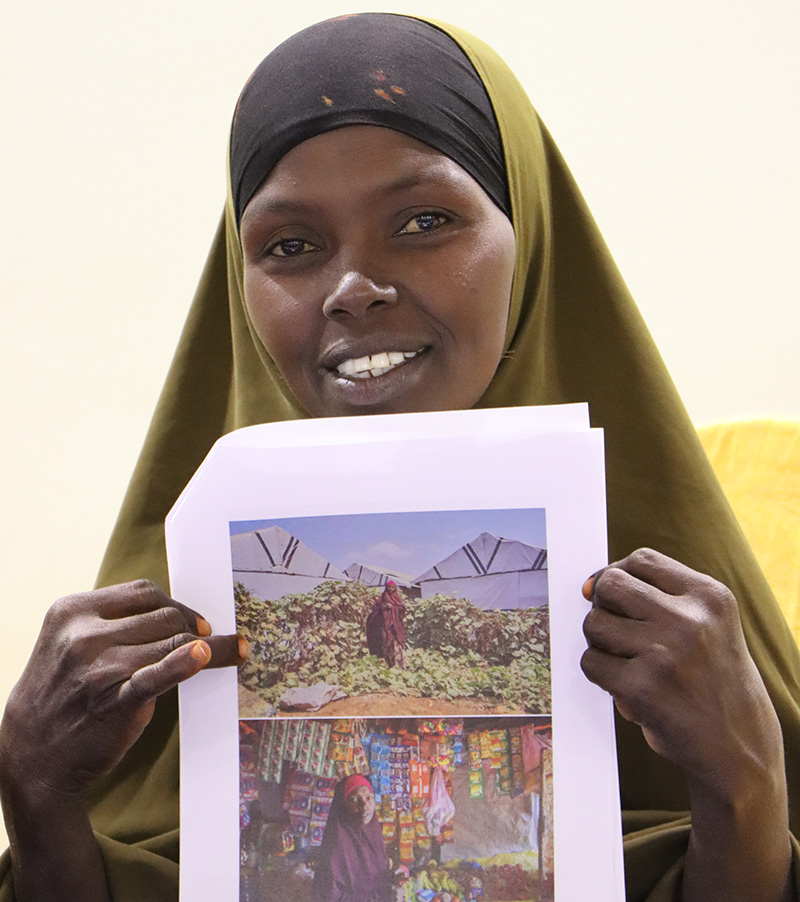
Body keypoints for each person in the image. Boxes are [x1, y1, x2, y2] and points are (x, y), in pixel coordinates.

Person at [0, 12, 798, 902]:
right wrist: (34, 793)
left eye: (424, 220)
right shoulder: (159, 639)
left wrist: (744, 781)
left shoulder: (695, 629)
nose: (354, 289)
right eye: (292, 246)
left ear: (526, 235)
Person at [312, 775, 390, 902]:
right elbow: (330, 896)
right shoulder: (336, 846)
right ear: (343, 806)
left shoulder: (373, 835)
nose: (364, 806)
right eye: (354, 800)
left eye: (369, 798)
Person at [366, 581, 407, 669]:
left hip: (396, 627)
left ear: (395, 588)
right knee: (386, 643)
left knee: (397, 645)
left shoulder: (398, 599)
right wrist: (382, 609)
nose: (391, 589)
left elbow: (402, 609)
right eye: (389, 587)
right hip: (385, 626)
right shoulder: (381, 599)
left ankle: (400, 665)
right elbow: (374, 612)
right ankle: (389, 664)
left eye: (392, 587)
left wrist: (393, 607)